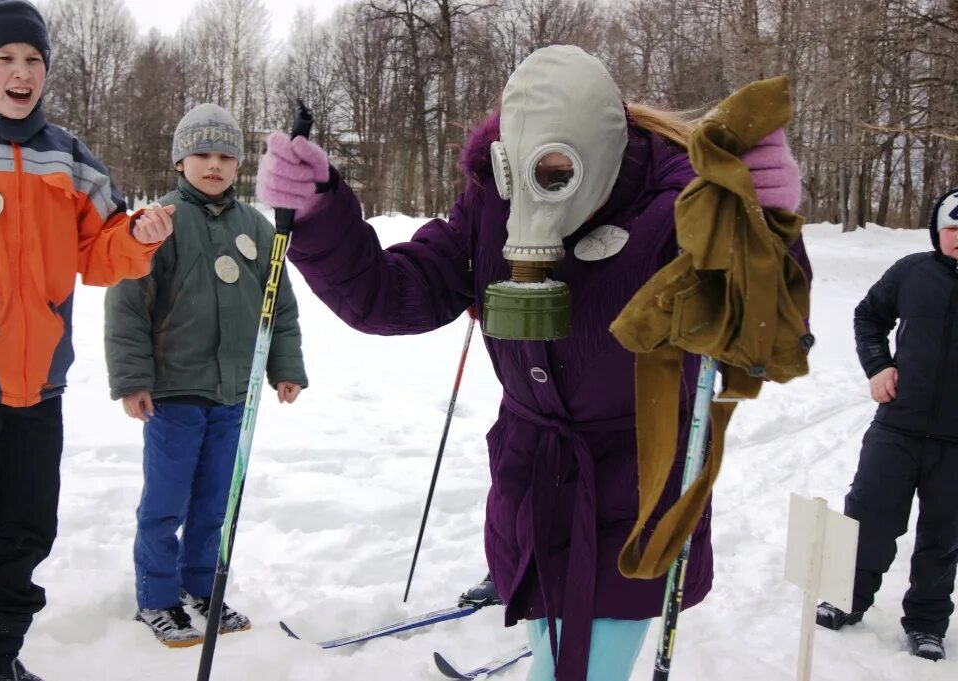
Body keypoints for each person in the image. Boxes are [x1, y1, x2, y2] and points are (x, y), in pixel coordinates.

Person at [257, 45, 807, 681]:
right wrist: (321, 212)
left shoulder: (682, 204)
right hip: (532, 483)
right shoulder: (492, 202)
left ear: (606, 147)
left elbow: (763, 340)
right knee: (554, 651)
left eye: (560, 171)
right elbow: (388, 294)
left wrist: (765, 232)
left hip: (635, 492)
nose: (539, 189)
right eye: (526, 168)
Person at [0, 1, 176, 679]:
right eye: (5, 59)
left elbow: (98, 252)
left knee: (23, 535)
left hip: (39, 380)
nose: (22, 72)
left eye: (34, 59)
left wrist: (136, 238)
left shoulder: (66, 154)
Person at [104, 103, 308, 648]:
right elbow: (127, 305)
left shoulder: (257, 229)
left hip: (233, 393)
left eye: (225, 156)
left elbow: (279, 306)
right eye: (202, 154)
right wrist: (132, 379)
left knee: (216, 500)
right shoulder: (158, 222)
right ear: (179, 161)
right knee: (166, 501)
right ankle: (157, 597)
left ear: (238, 165)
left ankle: (201, 588)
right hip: (173, 392)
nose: (214, 165)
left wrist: (285, 367)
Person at [815, 188, 958, 663]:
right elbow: (869, 317)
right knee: (869, 514)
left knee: (943, 534)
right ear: (938, 230)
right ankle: (845, 598)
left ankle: (926, 623)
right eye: (953, 228)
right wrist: (878, 367)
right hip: (897, 425)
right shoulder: (912, 272)